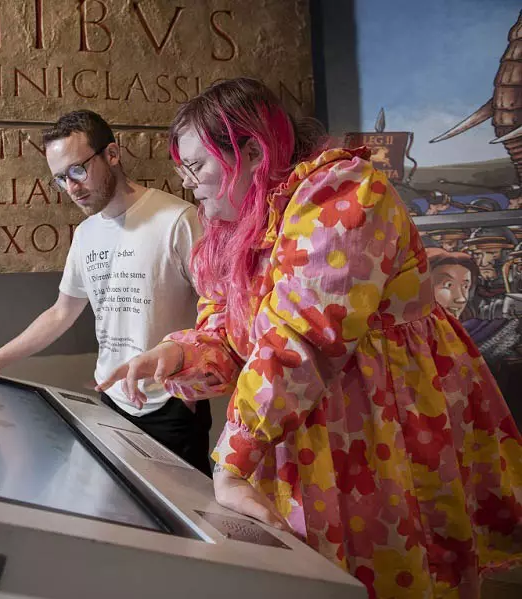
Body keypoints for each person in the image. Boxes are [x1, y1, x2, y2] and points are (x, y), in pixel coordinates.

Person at [98, 79, 522, 597]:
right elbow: (229, 325)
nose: (187, 183)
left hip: (381, 419)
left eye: (198, 167)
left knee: (394, 568)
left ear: (253, 151)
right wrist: (178, 351)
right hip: (299, 419)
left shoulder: (342, 192)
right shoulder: (241, 222)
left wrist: (232, 461)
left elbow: (304, 335)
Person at [0, 110, 212, 476]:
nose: (72, 187)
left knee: (182, 525)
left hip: (169, 403)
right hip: (111, 398)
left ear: (112, 154)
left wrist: (192, 381)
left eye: (78, 170)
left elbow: (219, 308)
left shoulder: (177, 219)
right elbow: (62, 312)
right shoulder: (86, 234)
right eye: (61, 179)